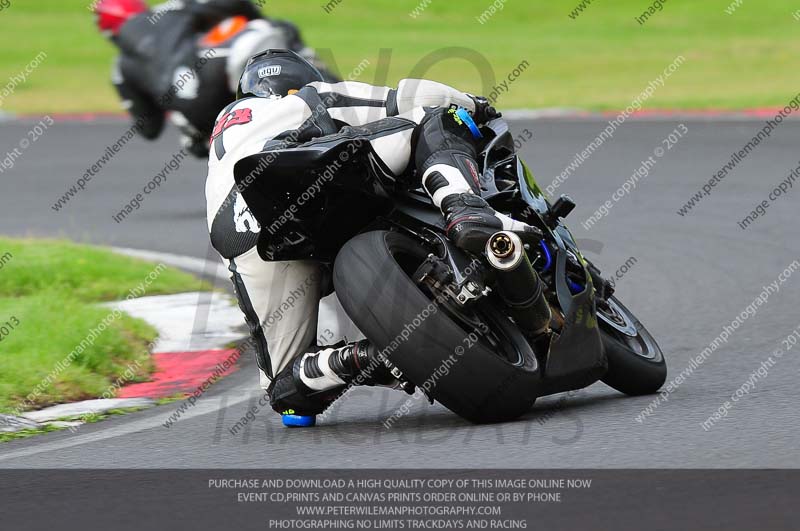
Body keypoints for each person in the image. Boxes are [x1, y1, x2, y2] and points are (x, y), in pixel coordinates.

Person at [205, 49, 538, 421]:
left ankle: (364, 358)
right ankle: (463, 207)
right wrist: (474, 104)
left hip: (240, 232)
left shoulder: (220, 147)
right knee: (435, 118)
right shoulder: (301, 99)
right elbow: (404, 97)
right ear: (294, 82)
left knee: (284, 392)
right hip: (297, 164)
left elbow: (225, 243)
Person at [94, 0, 338, 157]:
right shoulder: (171, 9)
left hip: (197, 115)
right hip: (218, 66)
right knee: (279, 30)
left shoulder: (121, 70)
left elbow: (149, 129)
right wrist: (256, 18)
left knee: (195, 138)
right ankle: (336, 98)